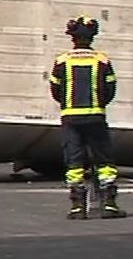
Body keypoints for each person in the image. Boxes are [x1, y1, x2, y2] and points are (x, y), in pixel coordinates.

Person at [49, 15, 125, 220]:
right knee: (104, 159)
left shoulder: (62, 61)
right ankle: (109, 204)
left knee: (74, 160)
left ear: (72, 38)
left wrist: (68, 105)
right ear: (92, 37)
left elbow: (55, 90)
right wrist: (98, 104)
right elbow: (110, 89)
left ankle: (77, 207)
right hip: (96, 117)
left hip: (71, 119)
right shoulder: (102, 60)